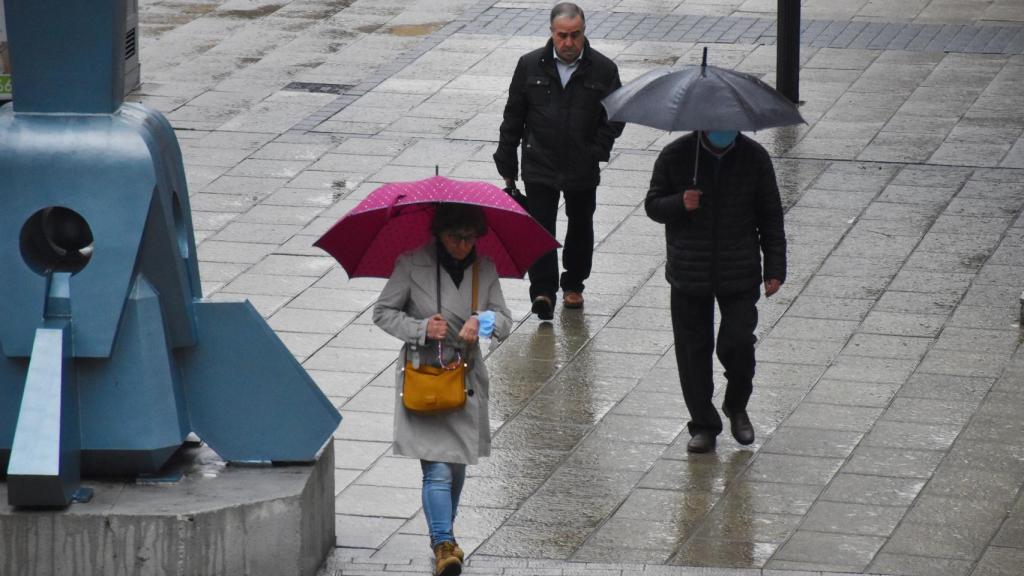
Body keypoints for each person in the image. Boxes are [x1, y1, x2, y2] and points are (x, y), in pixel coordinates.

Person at [373, 203, 512, 576]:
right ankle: (443, 544)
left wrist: (481, 322)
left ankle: (444, 533)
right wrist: (421, 329)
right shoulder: (410, 264)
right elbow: (383, 312)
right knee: (437, 468)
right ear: (439, 234)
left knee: (456, 465)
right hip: (425, 376)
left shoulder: (485, 269)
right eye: (455, 237)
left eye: (470, 238)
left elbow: (505, 319)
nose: (463, 246)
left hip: (465, 378)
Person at [645, 130, 786, 453]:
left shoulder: (754, 158)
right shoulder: (676, 154)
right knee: (692, 352)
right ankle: (703, 424)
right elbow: (653, 205)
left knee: (738, 343)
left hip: (739, 270)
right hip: (689, 272)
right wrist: (680, 202)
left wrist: (775, 268)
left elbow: (770, 215)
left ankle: (736, 405)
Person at [494, 2, 623, 320]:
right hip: (540, 161)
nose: (568, 42)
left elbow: (615, 115)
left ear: (584, 32)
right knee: (540, 226)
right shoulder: (530, 65)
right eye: (562, 35)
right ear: (552, 33)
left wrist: (597, 149)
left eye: (575, 35)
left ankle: (574, 283)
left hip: (582, 163)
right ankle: (543, 291)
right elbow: (514, 115)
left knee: (581, 223)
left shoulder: (603, 70)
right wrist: (507, 159)